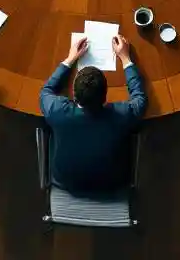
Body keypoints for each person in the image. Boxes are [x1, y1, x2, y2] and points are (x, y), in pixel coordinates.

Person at [39, 34, 146, 193]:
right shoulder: (122, 115)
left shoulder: (57, 111)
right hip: (113, 185)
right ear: (105, 97)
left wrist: (69, 59)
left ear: (74, 96)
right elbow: (139, 97)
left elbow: (46, 91)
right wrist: (125, 59)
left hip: (66, 183)